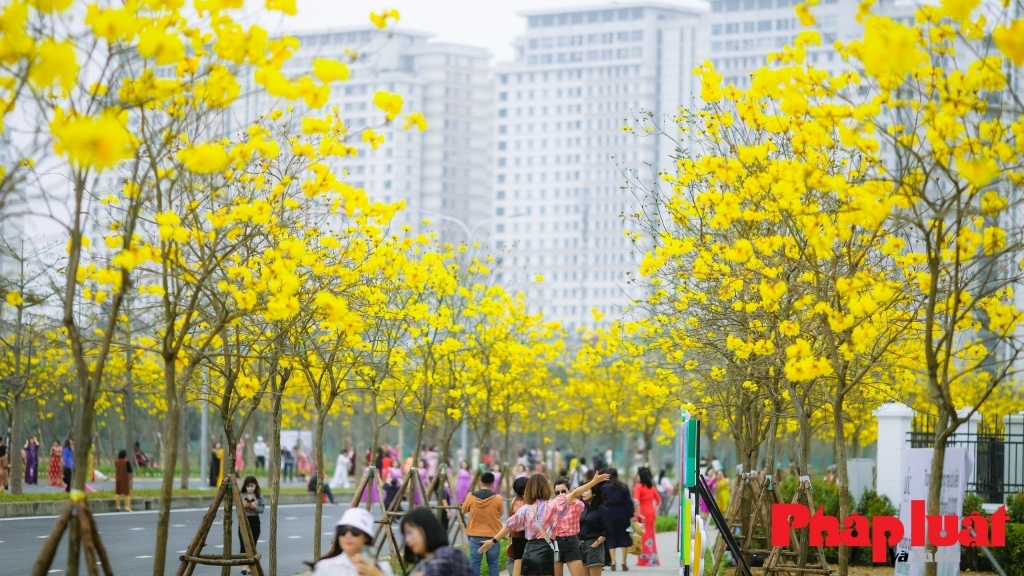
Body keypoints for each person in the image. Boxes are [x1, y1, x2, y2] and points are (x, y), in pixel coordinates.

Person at [478, 473, 610, 576]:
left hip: (528, 551)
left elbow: (508, 525)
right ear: (546, 488)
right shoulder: (553, 505)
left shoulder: (525, 509)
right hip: (545, 550)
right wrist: (594, 481)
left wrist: (493, 540)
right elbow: (575, 493)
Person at [311, 507, 395, 576]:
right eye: (342, 530)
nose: (348, 535)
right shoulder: (325, 566)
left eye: (355, 531)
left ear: (366, 537)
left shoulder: (382, 568)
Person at [397, 507, 473, 576]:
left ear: (427, 528)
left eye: (409, 532)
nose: (407, 540)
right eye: (405, 535)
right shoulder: (420, 565)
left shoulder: (449, 555)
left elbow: (436, 569)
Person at [462, 471, 504, 576]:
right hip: (493, 537)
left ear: (480, 482)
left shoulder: (470, 496)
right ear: (492, 484)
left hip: (475, 535)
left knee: (475, 564)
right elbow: (501, 513)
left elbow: (464, 509)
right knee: (493, 564)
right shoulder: (498, 498)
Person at [551, 476, 589, 576]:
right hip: (556, 542)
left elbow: (581, 505)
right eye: (557, 492)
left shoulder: (576, 504)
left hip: (572, 542)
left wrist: (569, 498)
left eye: (563, 491)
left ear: (569, 491)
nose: (560, 495)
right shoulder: (552, 505)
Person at [602, 468, 634, 572]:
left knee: (611, 537)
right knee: (624, 536)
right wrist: (631, 514)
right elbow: (628, 502)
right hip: (623, 514)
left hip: (610, 513)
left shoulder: (605, 488)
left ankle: (613, 562)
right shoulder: (623, 487)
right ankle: (624, 562)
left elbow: (603, 502)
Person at [578, 480, 609, 576]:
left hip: (594, 546)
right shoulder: (583, 508)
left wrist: (597, 543)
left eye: (586, 490)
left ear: (594, 493)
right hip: (581, 545)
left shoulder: (602, 509)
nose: (583, 492)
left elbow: (607, 529)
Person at [633, 467, 661, 567]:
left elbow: (636, 501)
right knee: (650, 535)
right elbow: (659, 500)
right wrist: (655, 511)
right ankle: (652, 559)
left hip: (642, 514)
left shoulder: (638, 487)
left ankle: (643, 560)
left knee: (642, 536)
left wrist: (638, 513)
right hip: (651, 513)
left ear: (640, 475)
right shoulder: (651, 487)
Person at [239, 475, 265, 576]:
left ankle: (250, 566)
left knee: (253, 543)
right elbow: (237, 507)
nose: (250, 487)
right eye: (248, 485)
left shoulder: (259, 496)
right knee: (244, 542)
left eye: (252, 485)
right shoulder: (241, 495)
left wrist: (254, 507)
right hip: (244, 520)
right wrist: (243, 505)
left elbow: (262, 510)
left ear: (255, 485)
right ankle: (244, 566)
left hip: (255, 520)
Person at [507, 477, 529, 576]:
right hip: (520, 537)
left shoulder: (520, 500)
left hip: (519, 537)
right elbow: (519, 523)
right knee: (519, 562)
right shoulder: (519, 502)